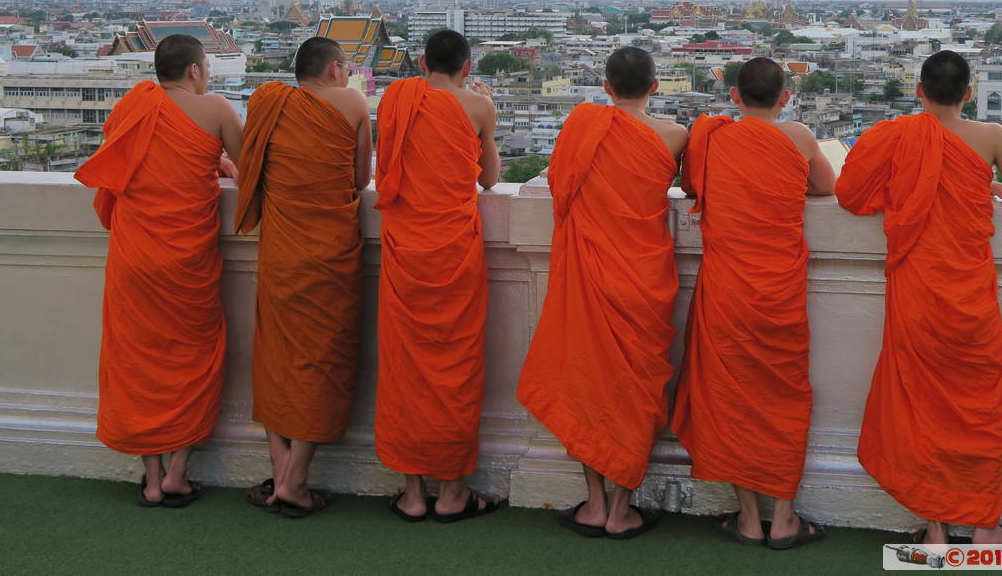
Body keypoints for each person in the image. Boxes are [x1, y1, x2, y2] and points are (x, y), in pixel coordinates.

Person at [834, 50, 1002, 545]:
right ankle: (984, 529)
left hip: (916, 294)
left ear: (918, 92)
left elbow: (849, 194)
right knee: (979, 411)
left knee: (921, 409)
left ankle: (934, 530)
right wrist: (989, 184)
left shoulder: (895, 135)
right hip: (969, 298)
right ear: (969, 94)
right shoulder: (990, 137)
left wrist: (904, 187)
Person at [517, 46, 687, 540]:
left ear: (607, 87)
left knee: (586, 383)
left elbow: (558, 183)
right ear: (655, 87)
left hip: (590, 272)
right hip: (643, 277)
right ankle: (621, 508)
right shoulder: (676, 135)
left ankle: (593, 504)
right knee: (634, 388)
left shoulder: (582, 125)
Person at [670, 57, 835, 549]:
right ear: (785, 98)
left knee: (731, 396)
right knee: (783, 395)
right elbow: (827, 187)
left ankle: (746, 517)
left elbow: (691, 187)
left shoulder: (713, 137)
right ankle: (783, 517)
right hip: (779, 289)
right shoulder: (800, 137)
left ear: (735, 97)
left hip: (727, 287)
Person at [75, 33, 242, 507]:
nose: (207, 74)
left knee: (136, 361)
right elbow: (255, 177)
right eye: (206, 66)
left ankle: (151, 478)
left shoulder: (134, 107)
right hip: (186, 258)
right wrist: (222, 166)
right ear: (194, 70)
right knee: (191, 357)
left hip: (135, 253)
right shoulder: (217, 111)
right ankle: (179, 474)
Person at [235, 37, 372, 519]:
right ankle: (294, 480)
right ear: (336, 70)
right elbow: (359, 179)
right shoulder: (353, 101)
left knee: (275, 353)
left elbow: (253, 171)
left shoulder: (268, 102)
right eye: (348, 67)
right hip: (331, 248)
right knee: (322, 356)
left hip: (282, 247)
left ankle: (281, 467)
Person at [374, 30, 503, 522]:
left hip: (406, 251)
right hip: (453, 254)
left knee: (405, 369)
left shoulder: (397, 99)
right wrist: (482, 110)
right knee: (455, 369)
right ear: (468, 67)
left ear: (422, 63)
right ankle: (451, 493)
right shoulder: (478, 107)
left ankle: (411, 493)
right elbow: (490, 179)